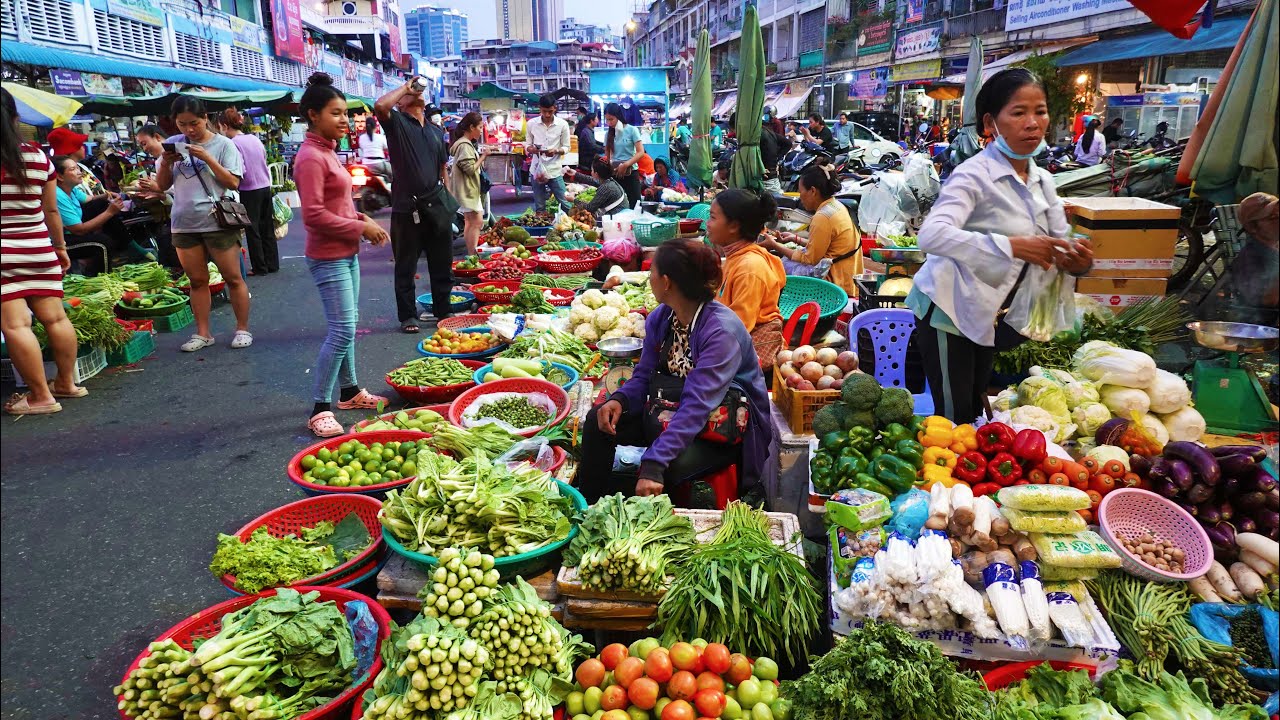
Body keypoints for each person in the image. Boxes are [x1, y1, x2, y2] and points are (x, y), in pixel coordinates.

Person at [906, 68, 1093, 423]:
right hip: (948, 310)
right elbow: (930, 236)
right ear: (991, 122)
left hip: (988, 315)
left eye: (1040, 111)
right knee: (954, 418)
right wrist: (1013, 246)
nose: (1033, 123)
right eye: (1018, 112)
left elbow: (1056, 244)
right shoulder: (972, 175)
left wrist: (1076, 260)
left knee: (976, 409)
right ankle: (943, 481)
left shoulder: (1041, 180)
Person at [577, 239, 774, 507]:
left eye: (652, 274)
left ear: (667, 282)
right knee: (597, 422)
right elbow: (645, 374)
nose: (649, 279)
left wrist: (654, 464)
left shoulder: (720, 333)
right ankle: (590, 507)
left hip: (720, 426)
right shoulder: (662, 317)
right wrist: (620, 400)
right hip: (669, 410)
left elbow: (697, 406)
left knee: (669, 468)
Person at [293, 73, 392, 437]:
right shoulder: (309, 158)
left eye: (345, 114)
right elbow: (315, 214)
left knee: (347, 326)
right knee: (341, 330)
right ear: (313, 115)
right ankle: (319, 407)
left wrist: (360, 217)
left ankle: (349, 392)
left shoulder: (327, 152)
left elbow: (337, 203)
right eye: (335, 113)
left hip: (344, 252)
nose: (344, 121)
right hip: (328, 255)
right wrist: (360, 227)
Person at [0, 88, 82, 415]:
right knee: (55, 316)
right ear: (15, 117)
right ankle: (66, 383)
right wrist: (60, 248)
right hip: (40, 249)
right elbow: (51, 211)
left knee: (17, 325)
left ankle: (40, 397)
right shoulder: (38, 156)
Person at [155, 95, 251, 352]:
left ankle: (242, 329)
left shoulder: (224, 145)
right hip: (184, 223)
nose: (189, 129)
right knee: (197, 280)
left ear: (205, 118)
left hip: (217, 220)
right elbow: (162, 186)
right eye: (182, 124)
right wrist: (166, 162)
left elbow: (233, 183)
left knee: (233, 278)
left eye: (194, 123)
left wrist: (207, 159)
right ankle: (203, 333)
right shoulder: (172, 145)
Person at [374, 78, 452, 334]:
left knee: (442, 262)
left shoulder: (435, 131)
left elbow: (443, 170)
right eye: (410, 94)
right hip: (407, 208)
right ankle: (408, 315)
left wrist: (450, 205)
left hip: (436, 205)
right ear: (402, 103)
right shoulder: (397, 124)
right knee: (406, 265)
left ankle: (443, 310)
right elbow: (380, 106)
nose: (417, 94)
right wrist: (404, 89)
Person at [706, 189, 787, 367]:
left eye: (712, 217)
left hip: (747, 358)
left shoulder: (749, 268)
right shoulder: (737, 258)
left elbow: (737, 328)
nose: (707, 224)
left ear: (734, 226)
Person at [760, 163, 861, 297]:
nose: (800, 197)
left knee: (778, 266)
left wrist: (774, 245)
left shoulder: (822, 217)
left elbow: (809, 259)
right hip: (847, 273)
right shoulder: (836, 205)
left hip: (834, 279)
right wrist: (794, 238)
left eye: (801, 192)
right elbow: (824, 246)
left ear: (813, 191)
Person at [218, 108, 276, 276]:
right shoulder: (254, 139)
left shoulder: (233, 143)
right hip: (265, 186)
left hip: (249, 189)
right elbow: (263, 159)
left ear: (224, 125)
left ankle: (260, 267)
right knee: (267, 227)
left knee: (253, 230)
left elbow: (240, 169)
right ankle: (272, 264)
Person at [51, 155, 131, 272]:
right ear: (60, 176)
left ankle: (126, 246)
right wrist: (110, 212)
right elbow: (78, 230)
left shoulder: (70, 189)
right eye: (73, 170)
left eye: (77, 168)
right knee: (102, 244)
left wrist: (107, 195)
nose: (79, 172)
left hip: (73, 231)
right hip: (62, 241)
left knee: (101, 204)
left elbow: (90, 200)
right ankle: (101, 281)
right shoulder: (58, 196)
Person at [131, 124, 179, 268]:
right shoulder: (159, 162)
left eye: (144, 143)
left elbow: (177, 190)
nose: (144, 149)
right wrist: (157, 193)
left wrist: (156, 189)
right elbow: (167, 193)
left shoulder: (177, 155)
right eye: (141, 146)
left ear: (157, 137)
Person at [450, 112, 487, 255]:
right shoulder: (465, 145)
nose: (481, 130)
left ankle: (472, 254)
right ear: (472, 127)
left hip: (466, 188)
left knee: (470, 221)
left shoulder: (464, 143)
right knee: (476, 222)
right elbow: (470, 170)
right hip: (467, 189)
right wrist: (483, 157)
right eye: (480, 127)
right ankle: (472, 254)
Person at [527, 95, 571, 211]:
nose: (547, 115)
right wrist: (533, 150)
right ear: (539, 108)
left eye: (550, 111)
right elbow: (528, 145)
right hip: (536, 170)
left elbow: (567, 147)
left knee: (566, 202)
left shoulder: (562, 124)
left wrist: (556, 151)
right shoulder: (531, 124)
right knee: (540, 206)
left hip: (555, 170)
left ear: (555, 108)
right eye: (544, 111)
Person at [603, 102, 649, 209]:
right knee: (617, 205)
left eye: (611, 119)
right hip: (615, 174)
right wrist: (611, 167)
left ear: (618, 117)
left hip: (631, 172)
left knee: (635, 205)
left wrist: (626, 164)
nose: (609, 123)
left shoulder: (632, 130)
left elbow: (640, 152)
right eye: (607, 120)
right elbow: (607, 156)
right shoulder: (608, 134)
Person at [46, 127, 106, 197]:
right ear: (72, 149)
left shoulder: (81, 166)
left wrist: (108, 194)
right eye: (80, 145)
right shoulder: (66, 175)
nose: (83, 148)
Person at [357, 114, 390, 178]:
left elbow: (362, 148)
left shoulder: (361, 138)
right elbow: (387, 148)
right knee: (395, 174)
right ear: (375, 127)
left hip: (365, 165)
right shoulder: (380, 137)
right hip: (379, 164)